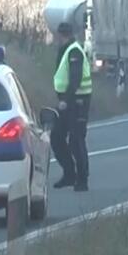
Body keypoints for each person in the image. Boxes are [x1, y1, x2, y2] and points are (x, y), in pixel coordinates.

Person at [52, 21, 92, 192]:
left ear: (62, 35)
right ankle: (69, 174)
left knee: (76, 141)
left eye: (57, 36)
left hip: (77, 102)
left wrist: (65, 100)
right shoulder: (67, 50)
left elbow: (75, 79)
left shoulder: (74, 51)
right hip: (69, 102)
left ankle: (82, 180)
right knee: (57, 137)